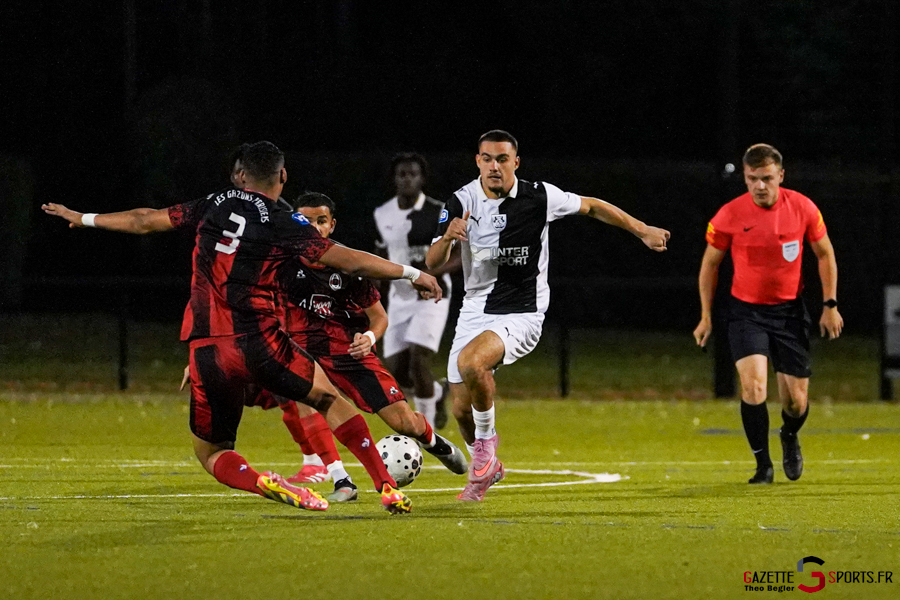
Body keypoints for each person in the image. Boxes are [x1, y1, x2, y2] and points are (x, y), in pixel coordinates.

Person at [43, 141, 443, 514]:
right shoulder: (285, 221)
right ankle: (385, 484)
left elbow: (145, 220)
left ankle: (258, 481)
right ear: (282, 177)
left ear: (240, 175)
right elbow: (350, 261)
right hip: (261, 340)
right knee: (330, 398)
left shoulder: (212, 205)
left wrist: (84, 218)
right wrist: (411, 273)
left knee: (212, 451)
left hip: (207, 350)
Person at [426, 130, 670, 501]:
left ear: (515, 162)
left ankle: (487, 448)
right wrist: (446, 237)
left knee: (473, 364)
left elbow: (593, 206)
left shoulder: (539, 196)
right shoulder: (460, 201)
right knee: (460, 409)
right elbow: (431, 262)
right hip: (475, 309)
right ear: (477, 161)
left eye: (502, 159)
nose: (495, 166)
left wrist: (642, 230)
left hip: (524, 310)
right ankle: (488, 467)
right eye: (487, 158)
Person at [245, 192, 468, 499]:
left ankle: (433, 442)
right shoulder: (279, 264)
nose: (313, 227)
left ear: (332, 225)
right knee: (305, 399)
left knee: (403, 422)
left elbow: (379, 318)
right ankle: (341, 479)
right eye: (305, 220)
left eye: (321, 221)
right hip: (304, 352)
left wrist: (370, 338)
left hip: (349, 353)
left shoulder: (349, 267)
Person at [693, 143, 843, 484]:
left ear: (780, 176)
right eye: (752, 179)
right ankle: (763, 466)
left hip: (790, 313)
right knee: (754, 387)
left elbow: (825, 254)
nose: (759, 186)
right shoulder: (729, 215)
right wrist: (706, 316)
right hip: (746, 313)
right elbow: (709, 266)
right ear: (745, 178)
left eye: (766, 178)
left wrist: (830, 304)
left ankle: (789, 436)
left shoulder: (803, 208)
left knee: (795, 402)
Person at [374, 153, 459, 429]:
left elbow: (460, 254)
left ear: (422, 178)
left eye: (413, 174)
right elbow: (380, 254)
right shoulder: (382, 214)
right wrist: (372, 293)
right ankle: (435, 392)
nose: (407, 179)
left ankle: (428, 432)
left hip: (433, 295)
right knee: (395, 370)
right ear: (394, 179)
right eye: (402, 174)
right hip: (399, 298)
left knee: (419, 359)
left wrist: (430, 275)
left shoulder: (439, 212)